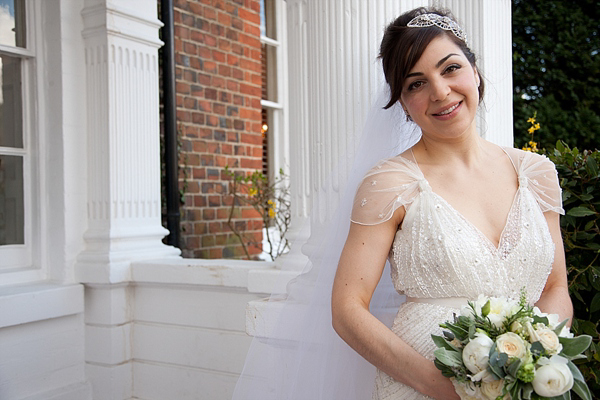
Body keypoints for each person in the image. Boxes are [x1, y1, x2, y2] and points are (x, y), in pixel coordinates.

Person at [233, 7, 572, 400]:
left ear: (474, 71)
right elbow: (347, 308)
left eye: (450, 68)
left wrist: (537, 360)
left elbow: (554, 285)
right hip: (421, 384)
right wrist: (441, 387)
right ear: (403, 102)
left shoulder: (537, 173)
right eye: (415, 84)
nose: (440, 92)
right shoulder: (390, 183)